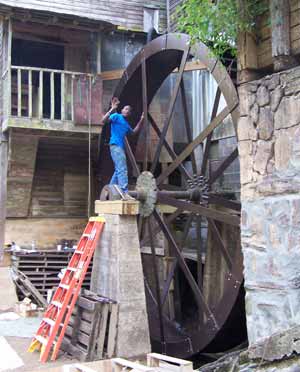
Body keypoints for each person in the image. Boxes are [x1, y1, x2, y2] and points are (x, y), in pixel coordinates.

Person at [102, 97, 144, 198]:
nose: (127, 111)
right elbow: (103, 120)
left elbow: (133, 132)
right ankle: (124, 192)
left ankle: (109, 190)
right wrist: (112, 108)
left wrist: (141, 120)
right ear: (121, 110)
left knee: (118, 170)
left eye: (128, 110)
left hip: (119, 147)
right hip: (115, 145)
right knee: (122, 169)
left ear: (129, 114)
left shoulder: (126, 124)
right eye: (125, 109)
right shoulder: (116, 116)